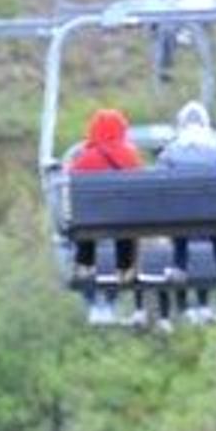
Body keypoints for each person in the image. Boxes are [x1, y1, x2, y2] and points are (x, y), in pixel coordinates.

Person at [154, 100, 216, 324]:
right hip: (213, 213)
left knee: (181, 222)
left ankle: (180, 266)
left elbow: (159, 178)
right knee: (213, 224)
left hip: (181, 214)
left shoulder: (172, 149)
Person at [68, 107, 143, 325]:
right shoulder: (130, 155)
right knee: (126, 229)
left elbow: (71, 183)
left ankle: (85, 266)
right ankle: (125, 270)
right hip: (124, 221)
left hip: (90, 220)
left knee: (86, 226)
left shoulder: (85, 157)